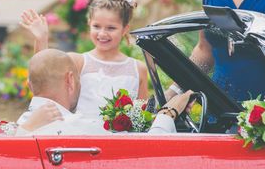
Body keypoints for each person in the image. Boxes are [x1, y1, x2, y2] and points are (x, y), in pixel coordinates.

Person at [20, 0, 149, 119]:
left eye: (111, 28)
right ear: (89, 24)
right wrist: (41, 38)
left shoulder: (138, 69)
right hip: (80, 134)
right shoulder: (77, 61)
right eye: (97, 26)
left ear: (125, 29)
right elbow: (43, 76)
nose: (102, 33)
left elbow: (143, 116)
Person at [17, 49, 192, 135]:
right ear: (70, 80)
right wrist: (169, 113)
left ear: (29, 85)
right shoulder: (78, 126)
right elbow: (147, 152)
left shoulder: (22, 126)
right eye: (79, 79)